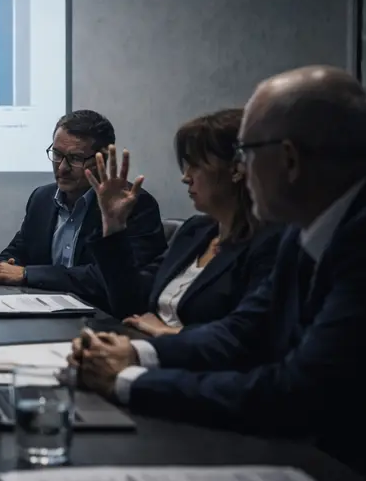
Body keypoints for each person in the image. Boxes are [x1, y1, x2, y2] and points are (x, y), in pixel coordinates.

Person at [72, 65, 366, 481]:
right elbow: (243, 331)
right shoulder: (306, 229)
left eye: (245, 154)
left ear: (288, 159)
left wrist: (128, 380)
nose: (242, 171)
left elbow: (298, 392)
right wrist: (138, 357)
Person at [85, 109, 282, 336]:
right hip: (145, 350)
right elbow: (131, 306)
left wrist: (171, 334)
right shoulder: (196, 231)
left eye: (195, 165)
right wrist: (114, 224)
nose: (185, 177)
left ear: (236, 169)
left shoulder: (270, 243)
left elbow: (249, 336)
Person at [0, 110, 166, 308]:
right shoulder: (42, 198)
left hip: (101, 320)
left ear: (101, 160)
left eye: (75, 158)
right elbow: (20, 250)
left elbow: (109, 279)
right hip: (44, 313)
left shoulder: (134, 205)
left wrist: (27, 274)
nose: (62, 168)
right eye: (57, 154)